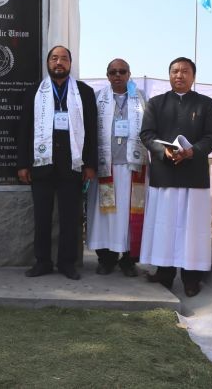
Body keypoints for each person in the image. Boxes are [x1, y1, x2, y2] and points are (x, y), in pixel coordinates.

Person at [139, 57, 212, 297]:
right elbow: (146, 134)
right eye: (175, 71)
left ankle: (191, 278)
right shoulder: (156, 103)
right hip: (165, 173)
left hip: (193, 175)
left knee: (191, 229)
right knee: (164, 226)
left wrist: (192, 151)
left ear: (193, 76)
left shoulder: (206, 104)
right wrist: (162, 151)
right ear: (169, 75)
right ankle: (164, 272)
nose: (179, 75)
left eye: (185, 71)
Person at [17, 45, 97, 280]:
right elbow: (24, 130)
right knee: (41, 217)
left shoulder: (84, 92)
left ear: (70, 64)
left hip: (73, 166)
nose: (59, 62)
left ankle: (67, 263)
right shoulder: (34, 92)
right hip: (41, 166)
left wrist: (90, 164)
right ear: (48, 63)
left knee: (70, 218)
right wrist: (23, 164)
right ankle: (42, 262)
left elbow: (92, 130)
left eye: (63, 58)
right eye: (54, 58)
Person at [87, 58, 147, 277]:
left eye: (122, 71)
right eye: (113, 72)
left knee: (131, 216)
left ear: (129, 74)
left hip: (133, 168)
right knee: (106, 216)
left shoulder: (141, 98)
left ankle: (128, 261)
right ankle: (106, 258)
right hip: (107, 168)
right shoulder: (98, 99)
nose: (117, 75)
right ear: (107, 76)